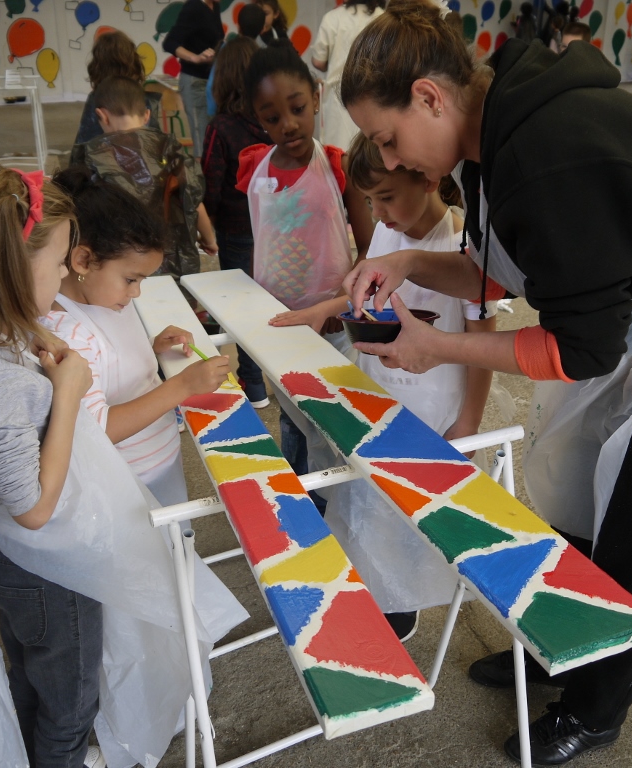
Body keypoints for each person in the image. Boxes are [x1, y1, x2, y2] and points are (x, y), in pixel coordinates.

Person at [339, 1, 632, 763]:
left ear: (430, 95)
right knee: (575, 485)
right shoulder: (492, 133)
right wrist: (406, 263)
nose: (389, 163)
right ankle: (556, 650)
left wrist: (441, 350)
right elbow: (506, 272)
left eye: (389, 141)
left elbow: (582, 350)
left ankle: (597, 706)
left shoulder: (552, 153)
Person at [0, 163, 245, 768]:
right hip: (45, 560)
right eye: (55, 263)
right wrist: (72, 390)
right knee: (70, 700)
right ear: (8, 270)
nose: (59, 277)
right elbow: (33, 506)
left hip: (20, 554)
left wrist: (38, 345)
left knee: (35, 676)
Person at [316, 133, 499, 642]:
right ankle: (373, 586)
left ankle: (404, 602)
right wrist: (321, 313)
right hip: (380, 393)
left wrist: (468, 422)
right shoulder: (386, 234)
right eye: (370, 201)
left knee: (415, 512)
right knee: (370, 499)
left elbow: (481, 341)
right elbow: (361, 291)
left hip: (436, 407)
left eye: (388, 197)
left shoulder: (461, 242)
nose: (378, 212)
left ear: (430, 177)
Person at [43, 168, 231, 504]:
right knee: (160, 552)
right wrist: (183, 386)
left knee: (177, 545)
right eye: (132, 279)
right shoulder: (65, 334)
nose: (137, 292)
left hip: (156, 458)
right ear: (83, 260)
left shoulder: (105, 298)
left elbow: (106, 363)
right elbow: (95, 430)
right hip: (127, 483)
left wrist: (151, 348)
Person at [236, 40, 373, 486]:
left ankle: (342, 496)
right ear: (258, 118)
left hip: (334, 322)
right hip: (277, 323)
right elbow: (262, 239)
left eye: (297, 108)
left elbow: (370, 248)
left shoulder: (336, 166)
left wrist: (339, 300)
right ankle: (301, 497)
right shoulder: (254, 168)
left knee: (338, 413)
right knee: (294, 416)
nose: (288, 124)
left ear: (316, 96)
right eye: (272, 118)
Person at [74, 75, 215, 281]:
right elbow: (193, 201)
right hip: (170, 255)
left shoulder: (96, 156)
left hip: (119, 261)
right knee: (174, 306)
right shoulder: (169, 150)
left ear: (102, 116)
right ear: (147, 114)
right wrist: (209, 239)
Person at [202, 36, 273, 408]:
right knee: (274, 304)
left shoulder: (222, 127)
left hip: (236, 231)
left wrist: (206, 226)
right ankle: (280, 373)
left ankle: (254, 384)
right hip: (277, 231)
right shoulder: (273, 122)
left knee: (244, 308)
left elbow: (210, 181)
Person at [311, 0, 387, 151]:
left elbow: (318, 61)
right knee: (372, 153)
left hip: (338, 98)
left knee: (338, 154)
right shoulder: (383, 18)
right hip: (375, 97)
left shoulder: (333, 18)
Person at [74, 29, 161, 146]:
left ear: (98, 64)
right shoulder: (141, 97)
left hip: (106, 160)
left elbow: (84, 146)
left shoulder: (96, 99)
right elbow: (155, 144)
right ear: (132, 59)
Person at [163, 0, 224, 156]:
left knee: (214, 141)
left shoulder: (215, 6)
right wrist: (195, 58)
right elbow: (170, 42)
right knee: (203, 144)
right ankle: (201, 180)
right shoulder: (193, 8)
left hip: (211, 81)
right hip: (195, 82)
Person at [205, 3, 265, 117]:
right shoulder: (262, 54)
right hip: (253, 118)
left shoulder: (226, 50)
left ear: (238, 26)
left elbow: (211, 86)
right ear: (263, 29)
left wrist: (214, 114)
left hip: (226, 116)